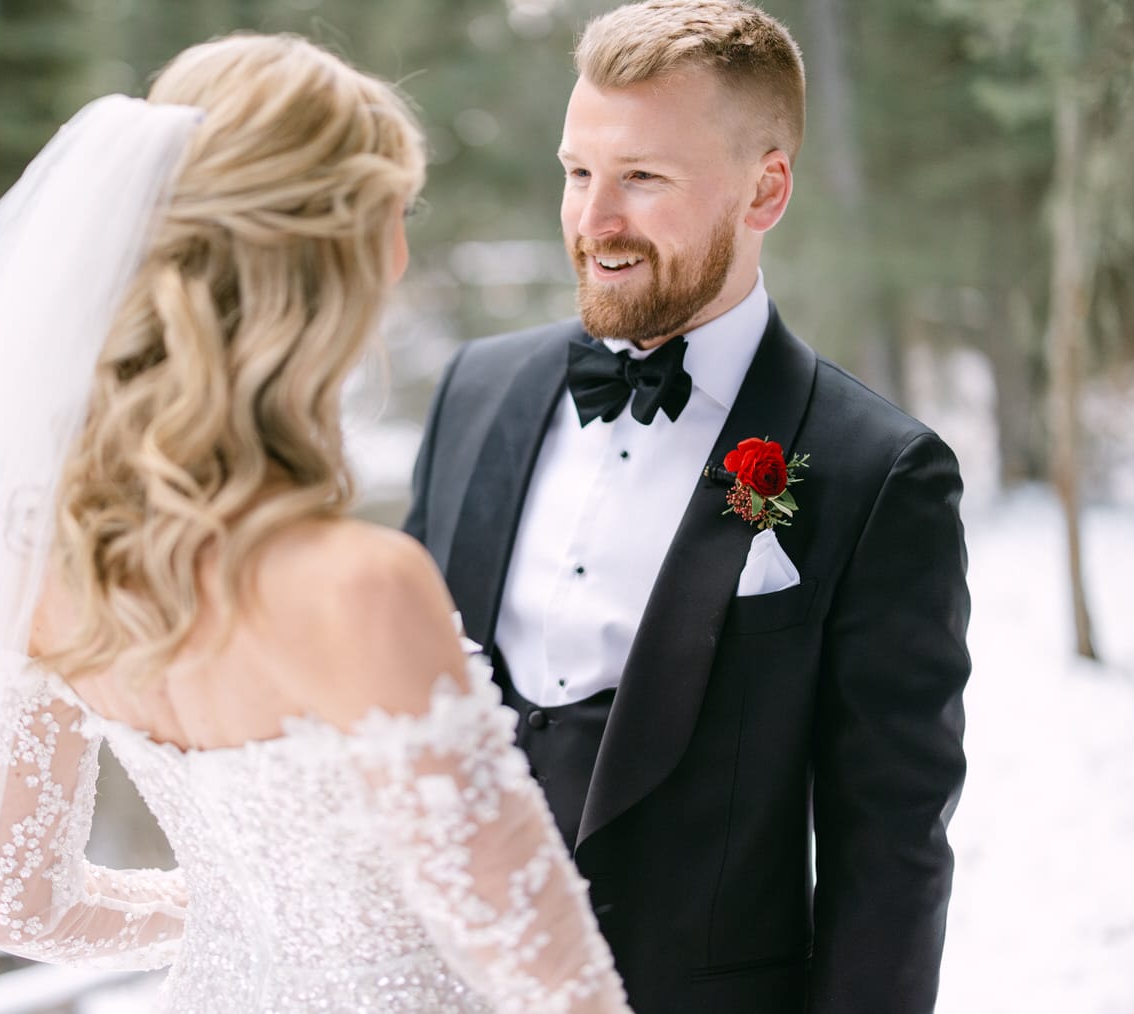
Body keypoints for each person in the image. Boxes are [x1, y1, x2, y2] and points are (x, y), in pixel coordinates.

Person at [0, 35, 630, 1014]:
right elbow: (556, 984)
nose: (404, 254)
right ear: (325, 261)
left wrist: (252, 915)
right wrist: (337, 928)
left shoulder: (38, 562)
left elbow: (27, 902)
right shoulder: (360, 586)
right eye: (394, 213)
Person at [403, 3, 971, 1012]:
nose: (595, 219)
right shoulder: (474, 390)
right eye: (579, 174)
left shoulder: (876, 470)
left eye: (644, 178)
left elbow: (889, 850)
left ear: (766, 189)